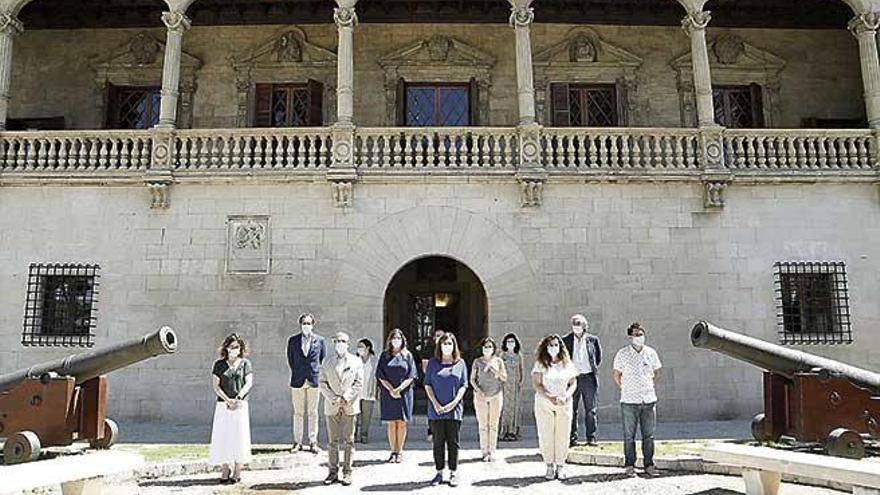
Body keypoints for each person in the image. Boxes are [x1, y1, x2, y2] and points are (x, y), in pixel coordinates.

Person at [613, 322, 662, 477]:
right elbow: (616, 375)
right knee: (629, 436)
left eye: (641, 334)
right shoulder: (622, 354)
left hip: (648, 400)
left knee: (649, 436)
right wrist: (626, 387)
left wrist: (647, 386)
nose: (639, 337)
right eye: (636, 335)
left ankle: (649, 465)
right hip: (629, 400)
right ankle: (629, 465)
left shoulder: (651, 353)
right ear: (630, 337)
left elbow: (657, 372)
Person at [319, 332, 364, 486]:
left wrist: (346, 397)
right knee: (332, 441)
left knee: (349, 440)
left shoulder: (356, 361)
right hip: (332, 406)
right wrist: (334, 398)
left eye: (343, 341)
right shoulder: (327, 361)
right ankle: (332, 472)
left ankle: (347, 472)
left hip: (349, 405)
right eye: (337, 341)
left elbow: (359, 382)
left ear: (348, 343)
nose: (340, 343)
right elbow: (322, 382)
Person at [424, 332, 468, 487]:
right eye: (444, 344)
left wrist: (455, 402)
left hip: (454, 410)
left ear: (454, 345)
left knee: (453, 442)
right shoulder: (433, 363)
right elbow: (427, 384)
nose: (447, 346)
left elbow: (464, 385)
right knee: (438, 442)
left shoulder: (460, 363)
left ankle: (453, 472)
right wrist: (435, 403)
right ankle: (439, 472)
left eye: (449, 343)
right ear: (439, 346)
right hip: (436, 410)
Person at [532, 334, 578, 481]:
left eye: (556, 345)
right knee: (546, 434)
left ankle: (561, 465)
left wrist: (566, 395)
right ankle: (549, 466)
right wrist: (549, 396)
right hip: (545, 403)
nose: (554, 348)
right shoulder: (540, 363)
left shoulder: (567, 363)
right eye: (551, 345)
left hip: (563, 403)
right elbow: (537, 384)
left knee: (563, 435)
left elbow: (573, 383)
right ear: (546, 347)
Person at [209, 333, 253, 484]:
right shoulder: (219, 364)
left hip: (240, 405)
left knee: (239, 436)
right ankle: (225, 468)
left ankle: (238, 470)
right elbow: (216, 385)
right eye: (231, 347)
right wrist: (228, 400)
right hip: (223, 405)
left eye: (236, 347)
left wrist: (238, 398)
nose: (233, 349)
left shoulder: (245, 363)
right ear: (226, 348)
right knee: (223, 436)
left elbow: (248, 383)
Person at [376, 328, 418, 463]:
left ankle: (399, 451)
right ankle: (392, 451)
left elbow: (412, 375)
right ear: (390, 340)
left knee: (401, 423)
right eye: (394, 338)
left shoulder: (408, 355)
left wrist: (399, 389)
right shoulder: (385, 356)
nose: (396, 341)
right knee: (391, 423)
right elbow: (380, 375)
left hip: (404, 393)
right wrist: (391, 390)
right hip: (388, 394)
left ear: (402, 340)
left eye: (398, 338)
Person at [287, 312, 326, 453]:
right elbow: (290, 359)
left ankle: (313, 441)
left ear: (313, 324)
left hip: (313, 380)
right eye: (304, 323)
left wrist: (313, 372)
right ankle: (297, 442)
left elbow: (321, 359)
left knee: (313, 412)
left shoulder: (320, 341)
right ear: (300, 325)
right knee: (298, 412)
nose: (306, 325)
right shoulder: (293, 340)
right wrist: (298, 371)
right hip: (297, 379)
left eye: (309, 323)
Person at [562, 314, 602, 446]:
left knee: (590, 409)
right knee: (572, 409)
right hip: (572, 378)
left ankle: (591, 437)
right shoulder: (566, 340)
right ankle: (572, 438)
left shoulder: (592, 340)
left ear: (584, 326)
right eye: (574, 323)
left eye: (579, 324)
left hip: (588, 378)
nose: (576, 326)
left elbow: (597, 358)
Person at [471, 337, 507, 461]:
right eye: (485, 347)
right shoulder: (477, 361)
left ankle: (492, 451)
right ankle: (484, 451)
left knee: (493, 424)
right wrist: (478, 390)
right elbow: (472, 379)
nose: (488, 349)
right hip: (481, 396)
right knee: (483, 424)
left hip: (496, 395)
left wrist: (494, 369)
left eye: (490, 347)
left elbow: (504, 378)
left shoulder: (498, 361)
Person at [421, 328, 446, 442]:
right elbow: (425, 367)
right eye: (437, 336)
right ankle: (431, 431)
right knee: (432, 406)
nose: (438, 338)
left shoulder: (447, 350)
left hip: (445, 383)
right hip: (432, 382)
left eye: (441, 336)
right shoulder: (428, 349)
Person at [500, 332, 524, 441]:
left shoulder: (518, 356)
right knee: (505, 408)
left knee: (515, 408)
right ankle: (504, 431)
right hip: (504, 385)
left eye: (512, 341)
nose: (510, 343)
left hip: (515, 385)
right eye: (508, 341)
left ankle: (513, 431)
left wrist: (521, 382)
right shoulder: (502, 356)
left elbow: (521, 370)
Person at [355, 338, 378, 444]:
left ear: (368, 348)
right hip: (356, 392)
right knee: (355, 415)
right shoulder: (355, 359)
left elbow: (377, 376)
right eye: (358, 347)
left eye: (362, 347)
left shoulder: (374, 360)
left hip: (369, 391)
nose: (359, 349)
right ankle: (353, 434)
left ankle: (364, 434)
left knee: (366, 416)